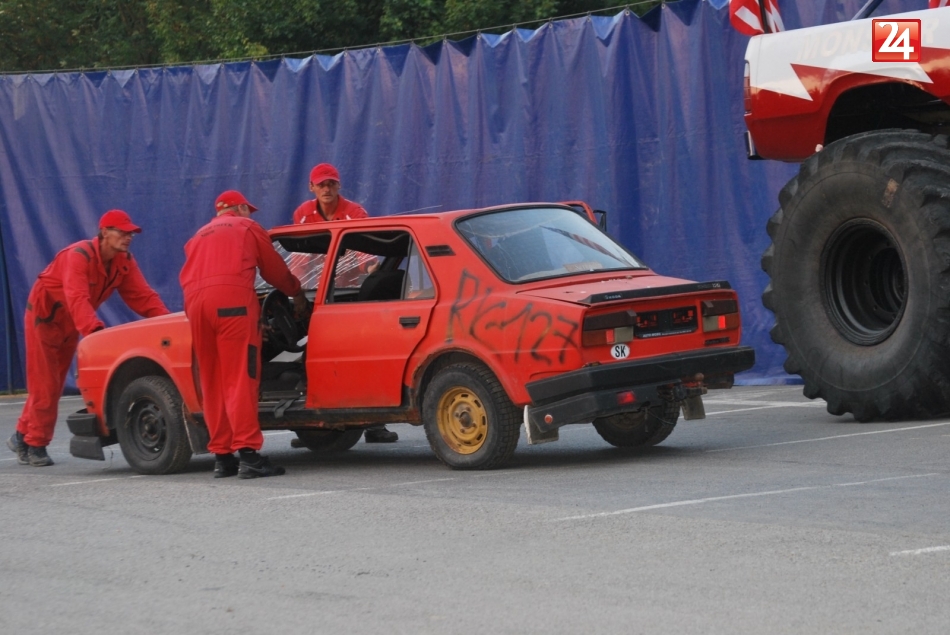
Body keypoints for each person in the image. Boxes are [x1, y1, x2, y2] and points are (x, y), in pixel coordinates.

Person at [7, 210, 170, 467]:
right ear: (104, 232)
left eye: (131, 233)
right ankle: (36, 443)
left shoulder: (124, 260)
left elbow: (143, 297)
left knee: (52, 385)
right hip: (45, 320)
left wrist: (169, 322)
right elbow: (77, 298)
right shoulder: (78, 255)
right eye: (122, 232)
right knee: (45, 385)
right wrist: (94, 333)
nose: (128, 237)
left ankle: (20, 436)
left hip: (70, 321)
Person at [180, 190, 307, 479]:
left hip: (195, 307)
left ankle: (223, 457)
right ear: (240, 208)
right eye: (248, 209)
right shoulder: (247, 227)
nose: (250, 214)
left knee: (212, 380)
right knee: (240, 378)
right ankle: (249, 455)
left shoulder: (197, 237)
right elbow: (274, 271)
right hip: (232, 305)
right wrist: (296, 292)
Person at [291, 163, 399, 444]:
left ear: (339, 186)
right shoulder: (302, 214)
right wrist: (295, 292)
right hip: (316, 294)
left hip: (349, 295)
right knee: (314, 356)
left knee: (362, 355)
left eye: (331, 184)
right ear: (311, 187)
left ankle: (375, 423)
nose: (326, 189)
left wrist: (372, 272)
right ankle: (313, 426)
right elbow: (299, 257)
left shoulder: (355, 212)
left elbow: (366, 252)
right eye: (321, 184)